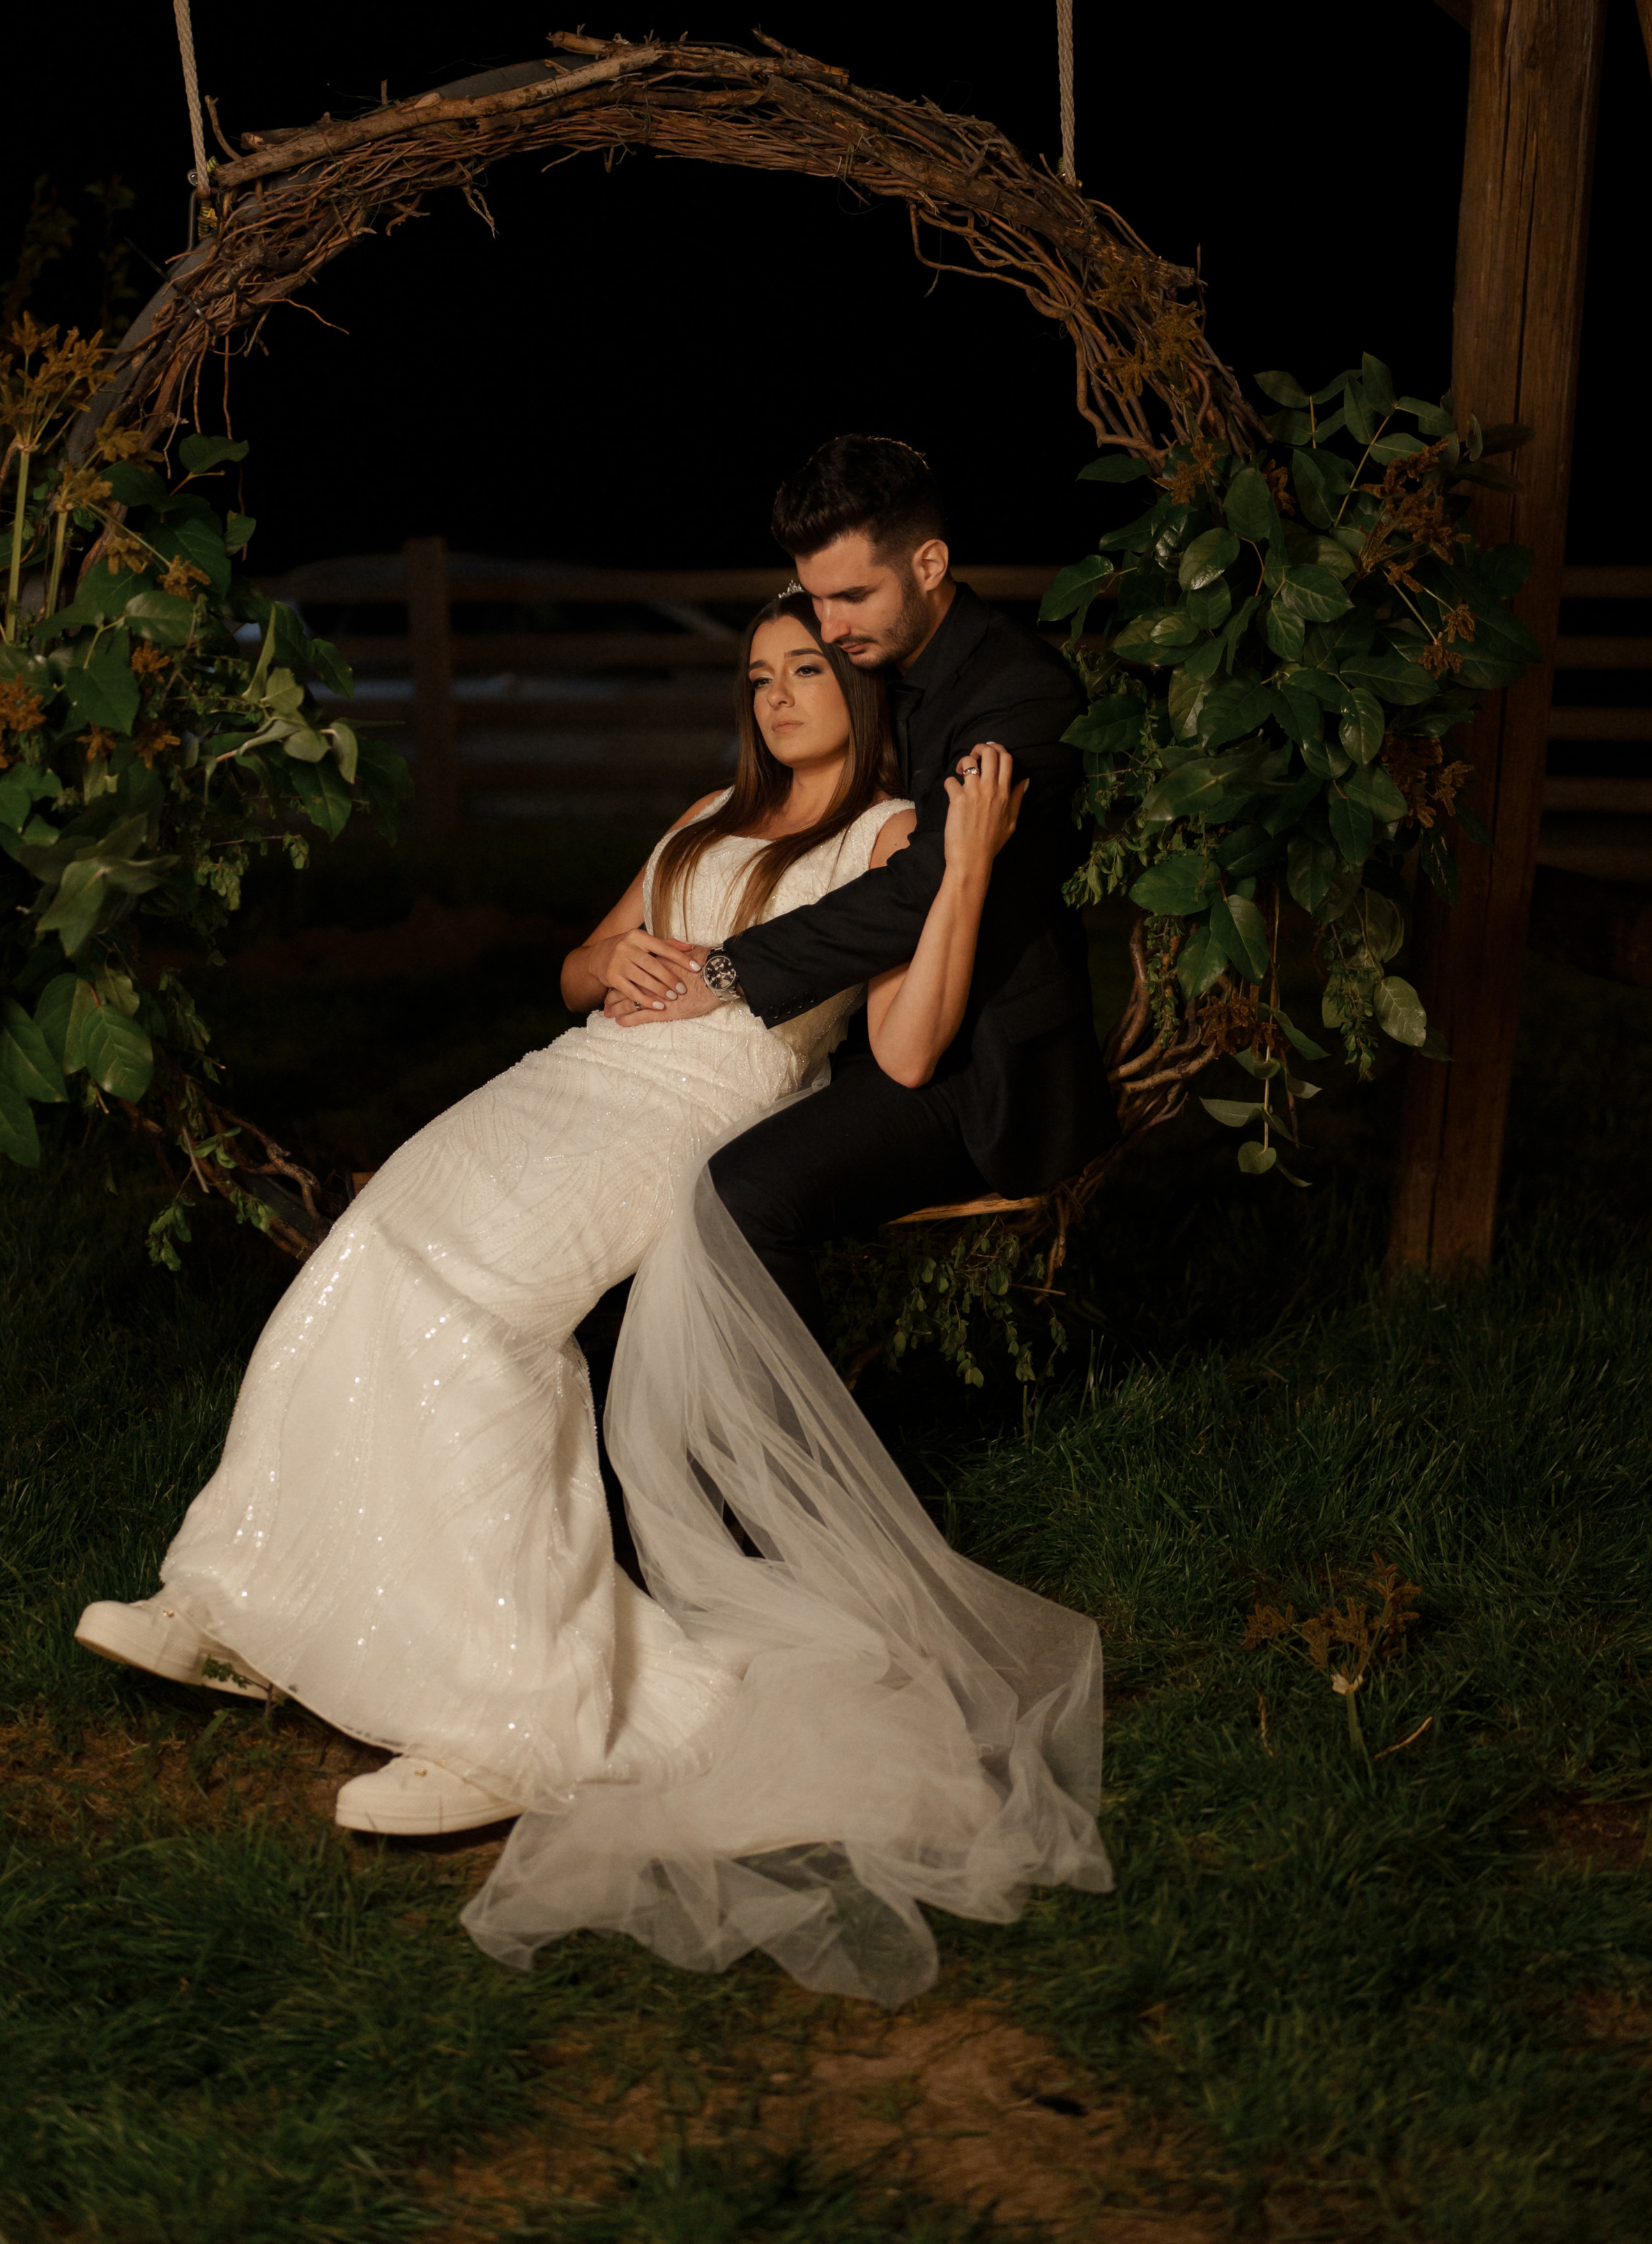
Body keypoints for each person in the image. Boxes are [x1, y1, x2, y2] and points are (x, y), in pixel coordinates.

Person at [74, 581, 1110, 2001]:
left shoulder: (887, 837)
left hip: (690, 1111)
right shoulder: (703, 814)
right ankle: (242, 1596)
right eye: (756, 676)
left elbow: (910, 1048)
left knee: (481, 1321)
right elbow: (575, 973)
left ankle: (513, 1716)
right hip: (565, 1084)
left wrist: (972, 867)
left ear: (859, 690)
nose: (777, 696)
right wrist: (602, 959)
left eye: (805, 668)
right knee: (370, 1256)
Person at [602, 435, 1116, 1333]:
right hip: (850, 1028)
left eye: (853, 596)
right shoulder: (872, 674)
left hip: (972, 1067)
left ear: (929, 563)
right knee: (637, 1170)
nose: (830, 626)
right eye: (817, 596)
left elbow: (920, 886)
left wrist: (723, 972)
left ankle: (800, 1469)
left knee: (741, 1194)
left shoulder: (1020, 695)